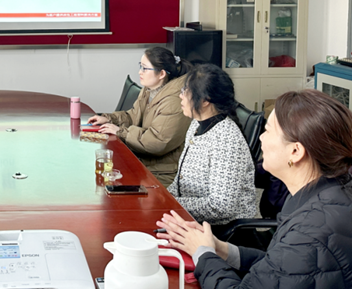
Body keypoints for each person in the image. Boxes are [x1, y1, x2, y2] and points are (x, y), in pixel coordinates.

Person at [158, 90, 352, 288]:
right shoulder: (326, 194)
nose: (260, 138)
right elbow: (278, 268)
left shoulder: (309, 233)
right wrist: (219, 248)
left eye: (267, 131)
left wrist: (203, 254)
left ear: (295, 151)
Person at [88, 47, 192, 187]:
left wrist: (121, 132)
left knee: (105, 183)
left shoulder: (174, 101)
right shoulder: (149, 89)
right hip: (142, 160)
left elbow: (157, 142)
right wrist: (109, 119)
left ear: (161, 74)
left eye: (144, 68)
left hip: (161, 172)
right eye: (140, 66)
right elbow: (133, 116)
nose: (140, 72)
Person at [167, 64, 256, 227]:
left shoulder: (226, 140)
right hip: (193, 219)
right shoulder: (196, 123)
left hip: (225, 230)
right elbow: (180, 181)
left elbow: (221, 207)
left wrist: (171, 204)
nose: (181, 96)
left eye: (186, 91)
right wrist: (164, 197)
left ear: (205, 100)